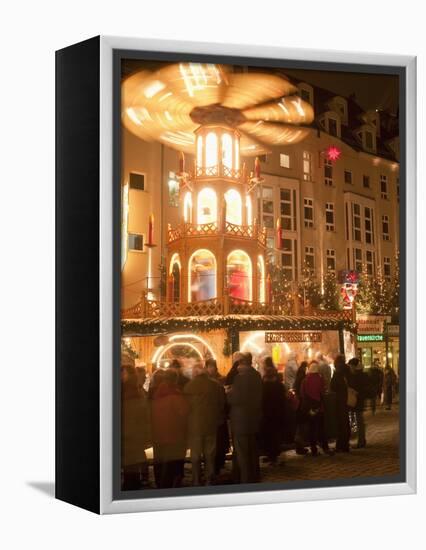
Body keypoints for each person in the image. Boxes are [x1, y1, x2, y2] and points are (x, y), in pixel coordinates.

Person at [184, 363, 225, 485]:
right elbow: (221, 403)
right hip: (211, 424)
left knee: (195, 455)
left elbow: (186, 408)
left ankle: (196, 479)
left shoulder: (188, 387)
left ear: (195, 373)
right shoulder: (215, 385)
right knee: (210, 454)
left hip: (195, 425)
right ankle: (209, 478)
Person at [227, 353, 263, 483]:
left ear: (242, 364)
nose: (236, 367)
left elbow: (236, 399)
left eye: (238, 364)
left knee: (242, 453)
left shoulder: (239, 379)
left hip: (241, 421)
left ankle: (244, 479)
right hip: (253, 420)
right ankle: (254, 476)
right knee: (252, 451)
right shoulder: (257, 376)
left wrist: (229, 394)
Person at [151, 369, 189, 488]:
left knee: (159, 460)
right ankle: (169, 484)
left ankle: (159, 483)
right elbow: (184, 412)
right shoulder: (175, 394)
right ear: (175, 380)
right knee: (171, 462)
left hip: (157, 433)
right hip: (174, 434)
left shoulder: (156, 393)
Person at [121, 366, 151, 490]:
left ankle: (131, 483)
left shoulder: (126, 390)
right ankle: (135, 481)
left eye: (123, 373)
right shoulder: (138, 391)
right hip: (134, 430)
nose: (122, 376)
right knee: (133, 459)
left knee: (130, 460)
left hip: (128, 429)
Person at [300, 361, 332, 456]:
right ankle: (325, 447)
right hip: (319, 408)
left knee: (312, 428)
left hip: (310, 409)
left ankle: (313, 449)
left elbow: (302, 394)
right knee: (321, 428)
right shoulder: (320, 379)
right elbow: (323, 391)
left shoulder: (305, 380)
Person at [205, 358, 230, 475]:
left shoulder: (221, 380)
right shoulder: (207, 381)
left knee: (219, 442)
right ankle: (214, 466)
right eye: (209, 366)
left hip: (218, 417)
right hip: (212, 417)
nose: (211, 369)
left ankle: (218, 464)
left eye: (213, 366)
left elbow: (223, 401)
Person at [260, 362, 286, 464]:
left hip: (267, 415)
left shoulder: (264, 386)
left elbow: (262, 400)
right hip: (277, 414)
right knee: (275, 436)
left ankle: (270, 455)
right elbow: (282, 400)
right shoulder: (279, 385)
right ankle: (274, 455)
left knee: (268, 436)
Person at [330, 354, 351, 452]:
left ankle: (341, 445)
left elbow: (333, 385)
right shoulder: (347, 370)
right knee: (345, 422)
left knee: (341, 422)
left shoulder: (338, 372)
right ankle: (345, 444)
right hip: (346, 399)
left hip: (340, 400)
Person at [347, 357, 369, 448]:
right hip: (359, 400)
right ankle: (362, 440)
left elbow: (358, 387)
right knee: (360, 421)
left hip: (357, 400)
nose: (350, 368)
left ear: (354, 366)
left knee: (359, 421)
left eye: (351, 366)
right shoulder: (362, 374)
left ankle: (361, 441)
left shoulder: (357, 375)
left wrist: (355, 391)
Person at [294, 361, 309, 455]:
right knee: (302, 427)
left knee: (300, 426)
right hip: (302, 405)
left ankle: (299, 446)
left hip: (298, 405)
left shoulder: (298, 378)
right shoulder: (303, 378)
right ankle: (300, 446)